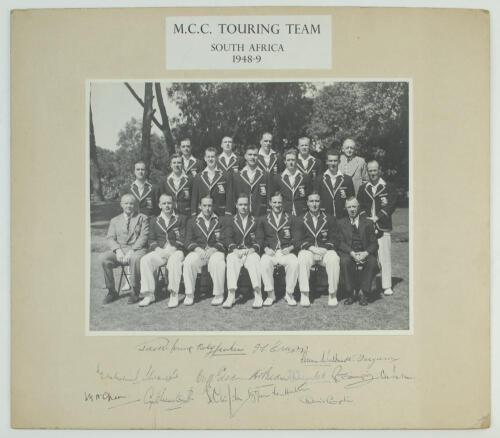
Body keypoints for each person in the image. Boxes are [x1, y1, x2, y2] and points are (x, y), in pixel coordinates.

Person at [357, 160, 398, 296]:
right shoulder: (364, 188)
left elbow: (391, 205)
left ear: (379, 170)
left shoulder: (388, 186)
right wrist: (367, 219)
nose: (372, 173)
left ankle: (387, 286)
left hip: (383, 226)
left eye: (375, 170)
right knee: (370, 258)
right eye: (370, 171)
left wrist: (378, 217)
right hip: (368, 228)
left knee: (385, 257)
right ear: (367, 172)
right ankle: (369, 285)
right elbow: (360, 206)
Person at [99, 194, 149, 304]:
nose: (129, 206)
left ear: (135, 205)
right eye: (126, 203)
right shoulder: (114, 220)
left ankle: (135, 291)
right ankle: (111, 291)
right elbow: (110, 238)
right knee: (103, 258)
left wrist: (132, 251)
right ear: (121, 205)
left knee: (135, 259)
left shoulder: (142, 218)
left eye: (131, 203)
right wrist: (117, 250)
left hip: (138, 249)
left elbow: (143, 237)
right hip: (121, 250)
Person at [138, 194, 186, 307]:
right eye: (164, 203)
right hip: (161, 251)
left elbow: (184, 237)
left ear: (173, 204)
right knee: (145, 260)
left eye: (169, 203)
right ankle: (149, 295)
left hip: (176, 250)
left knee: (174, 261)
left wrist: (174, 248)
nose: (167, 206)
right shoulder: (154, 220)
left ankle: (173, 294)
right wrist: (158, 249)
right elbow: (151, 239)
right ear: (160, 205)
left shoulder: (181, 218)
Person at [295, 192, 341, 307]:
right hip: (309, 251)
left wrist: (323, 249)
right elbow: (297, 240)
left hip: (325, 251)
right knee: (302, 257)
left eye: (316, 201)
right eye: (311, 201)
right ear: (307, 203)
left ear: (320, 202)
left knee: (334, 259)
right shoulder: (300, 219)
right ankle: (304, 294)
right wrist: (313, 249)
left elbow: (335, 238)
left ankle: (332, 294)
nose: (314, 204)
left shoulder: (330, 218)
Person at [256, 192, 299, 306]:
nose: (277, 205)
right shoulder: (263, 219)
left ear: (283, 203)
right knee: (264, 262)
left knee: (294, 262)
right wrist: (265, 249)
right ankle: (270, 294)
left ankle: (289, 294)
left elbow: (297, 238)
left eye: (279, 202)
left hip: (286, 251)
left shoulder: (291, 218)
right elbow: (259, 238)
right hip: (271, 252)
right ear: (270, 203)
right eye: (274, 202)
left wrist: (290, 248)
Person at [183, 196, 226, 306]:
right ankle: (189, 294)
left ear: (214, 206)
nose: (207, 208)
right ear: (199, 206)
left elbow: (225, 239)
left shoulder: (221, 220)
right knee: (188, 262)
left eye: (210, 205)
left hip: (215, 251)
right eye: (205, 205)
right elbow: (188, 241)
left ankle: (219, 294)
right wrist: (197, 249)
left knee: (218, 262)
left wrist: (214, 248)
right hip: (199, 251)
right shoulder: (192, 221)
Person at [223, 194, 263, 309]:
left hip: (250, 251)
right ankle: (231, 295)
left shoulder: (256, 220)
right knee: (231, 259)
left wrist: (252, 249)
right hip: (237, 251)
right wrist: (234, 249)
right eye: (241, 204)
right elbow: (228, 238)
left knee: (255, 259)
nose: (243, 207)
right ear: (236, 205)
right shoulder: (231, 220)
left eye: (246, 204)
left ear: (249, 206)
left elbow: (260, 239)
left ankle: (257, 293)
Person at [338, 197, 379, 306]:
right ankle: (351, 292)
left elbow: (375, 244)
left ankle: (363, 293)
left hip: (364, 252)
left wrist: (365, 253)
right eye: (349, 207)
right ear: (346, 208)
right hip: (349, 253)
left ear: (358, 207)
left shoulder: (368, 223)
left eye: (354, 206)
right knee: (344, 261)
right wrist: (351, 252)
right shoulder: (341, 223)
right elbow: (340, 242)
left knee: (372, 261)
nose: (352, 209)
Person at [229, 144, 273, 217]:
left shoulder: (266, 175)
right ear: (245, 156)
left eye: (255, 155)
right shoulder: (237, 176)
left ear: (258, 157)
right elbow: (232, 198)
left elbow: (269, 197)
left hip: (260, 216)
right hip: (241, 216)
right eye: (250, 155)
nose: (252, 157)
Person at [191, 147, 232, 217]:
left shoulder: (226, 175)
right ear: (205, 158)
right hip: (203, 214)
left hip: (220, 213)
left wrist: (228, 213)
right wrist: (194, 214)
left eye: (212, 157)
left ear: (217, 158)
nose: (210, 159)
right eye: (208, 157)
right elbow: (194, 198)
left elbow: (229, 196)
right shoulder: (198, 177)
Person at [316, 149, 355, 218]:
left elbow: (352, 200)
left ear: (339, 162)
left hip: (343, 217)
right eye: (330, 161)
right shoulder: (319, 179)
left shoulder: (347, 179)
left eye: (335, 161)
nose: (333, 163)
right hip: (325, 217)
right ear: (326, 162)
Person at [274, 148, 311, 216]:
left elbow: (309, 196)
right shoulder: (278, 178)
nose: (291, 162)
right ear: (285, 161)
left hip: (302, 213)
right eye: (288, 160)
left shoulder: (305, 177)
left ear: (297, 160)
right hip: (285, 213)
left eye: (293, 160)